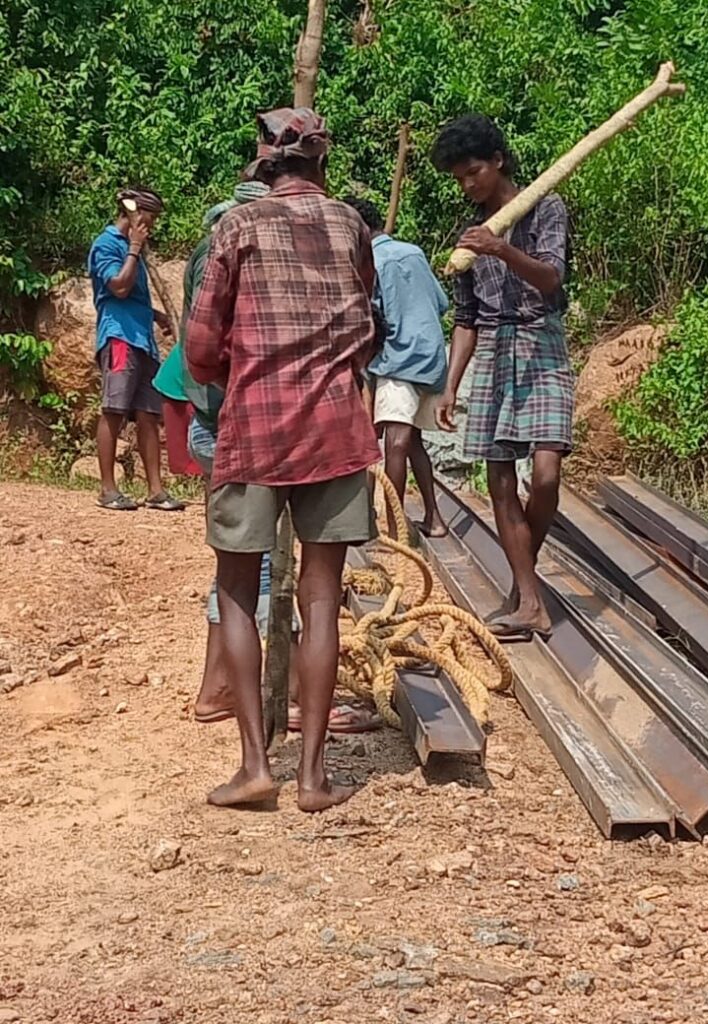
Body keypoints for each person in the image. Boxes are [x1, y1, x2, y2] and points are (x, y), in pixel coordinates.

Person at [186, 107, 381, 813]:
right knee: (322, 599)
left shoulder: (236, 227)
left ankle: (254, 767)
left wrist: (242, 371)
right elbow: (370, 326)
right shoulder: (351, 224)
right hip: (336, 428)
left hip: (255, 429)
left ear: (264, 164)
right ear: (322, 163)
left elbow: (200, 347)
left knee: (238, 592)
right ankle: (313, 778)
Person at [431, 114, 573, 640]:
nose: (469, 185)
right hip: (493, 349)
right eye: (460, 178)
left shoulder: (544, 208)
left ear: (498, 161)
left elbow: (551, 278)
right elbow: (466, 319)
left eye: (474, 172)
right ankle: (531, 601)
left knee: (546, 475)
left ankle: (522, 582)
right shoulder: (468, 236)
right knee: (499, 477)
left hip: (541, 342)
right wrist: (451, 384)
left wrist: (502, 249)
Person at [343, 198, 449, 539]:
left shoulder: (370, 263)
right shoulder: (413, 252)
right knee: (414, 440)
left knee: (396, 443)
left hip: (399, 358)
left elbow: (372, 318)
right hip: (431, 357)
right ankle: (434, 517)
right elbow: (441, 303)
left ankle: (394, 531)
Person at [87, 186, 184, 511]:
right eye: (150, 219)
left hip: (143, 341)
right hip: (119, 338)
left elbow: (133, 297)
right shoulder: (106, 245)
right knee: (114, 410)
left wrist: (157, 316)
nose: (152, 226)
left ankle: (156, 490)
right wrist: (134, 248)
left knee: (148, 413)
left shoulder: (135, 251)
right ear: (136, 215)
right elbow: (118, 287)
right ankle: (107, 489)